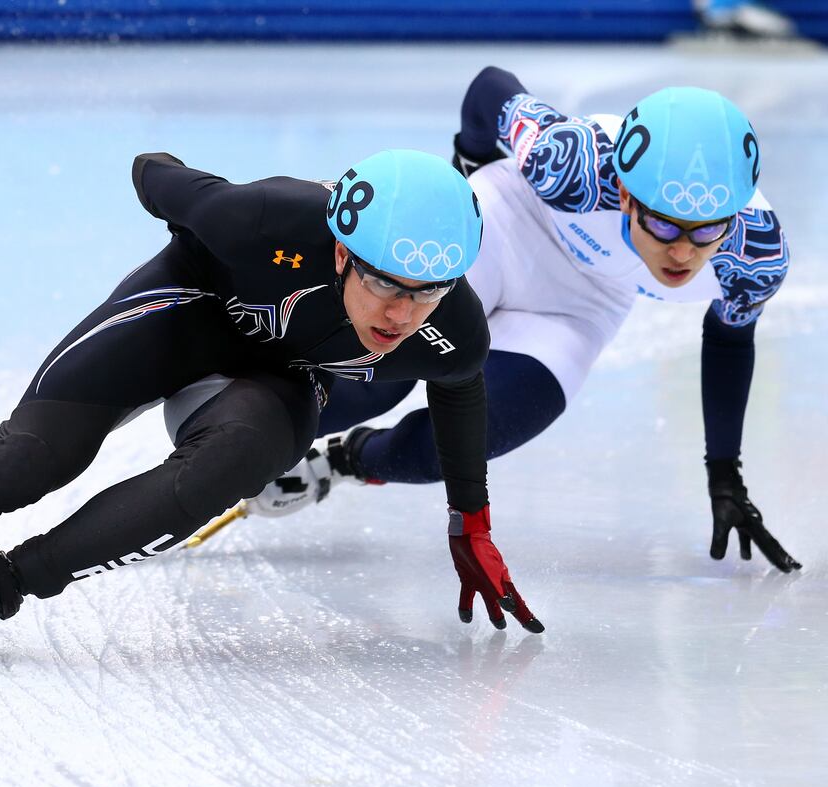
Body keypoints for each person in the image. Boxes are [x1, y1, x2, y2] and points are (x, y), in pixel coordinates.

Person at [0, 146, 544, 665]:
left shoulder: (448, 328)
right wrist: (197, 209)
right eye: (386, 285)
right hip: (181, 316)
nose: (400, 316)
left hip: (274, 382)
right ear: (343, 252)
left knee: (237, 462)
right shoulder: (263, 222)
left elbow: (460, 392)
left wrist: (471, 518)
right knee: (19, 463)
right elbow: (151, 170)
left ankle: (2, 580)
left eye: (425, 295)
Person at [237, 67, 800, 575]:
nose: (683, 252)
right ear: (625, 192)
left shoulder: (754, 253)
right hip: (507, 229)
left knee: (460, 446)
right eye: (664, 224)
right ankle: (225, 434)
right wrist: (469, 176)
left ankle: (340, 462)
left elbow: (728, 343)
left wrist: (723, 471)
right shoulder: (570, 162)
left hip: (580, 307)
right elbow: (486, 91)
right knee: (377, 377)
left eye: (707, 230)